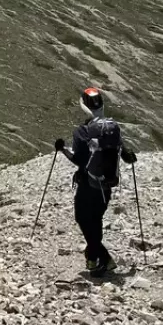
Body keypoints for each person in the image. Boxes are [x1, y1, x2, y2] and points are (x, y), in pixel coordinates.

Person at [55, 87, 136, 277]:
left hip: (88, 184)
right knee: (96, 220)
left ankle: (104, 258)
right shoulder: (111, 128)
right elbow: (125, 154)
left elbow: (78, 160)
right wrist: (129, 156)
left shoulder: (82, 131)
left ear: (83, 107)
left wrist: (62, 149)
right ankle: (93, 260)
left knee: (83, 219)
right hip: (106, 184)